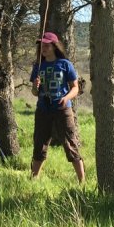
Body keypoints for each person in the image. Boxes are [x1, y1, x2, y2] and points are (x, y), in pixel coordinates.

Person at [30, 32, 85, 184]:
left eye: (47, 46)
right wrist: (35, 87)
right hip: (43, 109)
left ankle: (82, 182)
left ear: (54, 46)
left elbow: (75, 88)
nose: (43, 49)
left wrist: (66, 98)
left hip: (62, 110)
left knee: (70, 144)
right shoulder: (38, 66)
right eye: (41, 46)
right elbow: (35, 93)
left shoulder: (65, 64)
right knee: (39, 144)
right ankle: (33, 180)